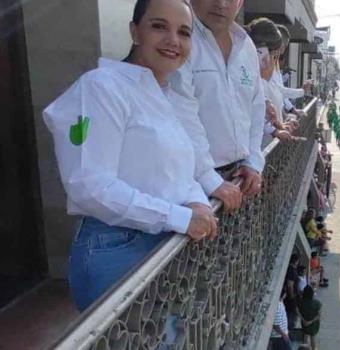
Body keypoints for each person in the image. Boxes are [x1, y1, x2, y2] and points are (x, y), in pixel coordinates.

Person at [43, 0, 217, 310]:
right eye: (159, 26)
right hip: (116, 248)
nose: (173, 41)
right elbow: (88, 186)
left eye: (184, 32)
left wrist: (197, 203)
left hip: (162, 241)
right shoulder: (102, 87)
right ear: (135, 31)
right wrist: (179, 217)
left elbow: (179, 169)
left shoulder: (163, 95)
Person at [171, 0, 272, 209]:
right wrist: (209, 179)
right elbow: (182, 116)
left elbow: (255, 106)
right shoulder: (180, 41)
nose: (221, 3)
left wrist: (253, 161)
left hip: (239, 180)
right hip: (194, 188)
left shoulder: (246, 46)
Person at [299, 286, 322, 350]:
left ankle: (304, 348)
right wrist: (310, 322)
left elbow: (297, 311)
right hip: (313, 324)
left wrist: (303, 320)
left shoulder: (301, 302)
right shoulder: (317, 303)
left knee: (305, 335)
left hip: (304, 322)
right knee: (312, 337)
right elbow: (319, 315)